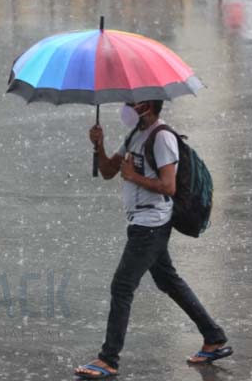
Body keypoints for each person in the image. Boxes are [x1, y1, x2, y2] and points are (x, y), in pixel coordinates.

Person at [74, 101, 232, 379]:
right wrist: (98, 144)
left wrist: (134, 176)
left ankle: (108, 359)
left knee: (122, 286)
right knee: (168, 280)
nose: (126, 106)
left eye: (131, 102)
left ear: (146, 105)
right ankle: (213, 337)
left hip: (152, 224)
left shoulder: (162, 138)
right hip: (140, 222)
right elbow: (110, 171)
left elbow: (168, 186)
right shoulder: (137, 133)